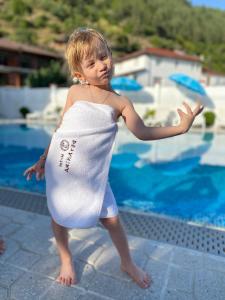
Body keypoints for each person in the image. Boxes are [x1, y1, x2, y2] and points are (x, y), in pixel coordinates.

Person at [23, 27, 203, 289]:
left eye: (104, 56)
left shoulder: (120, 103)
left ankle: (126, 261)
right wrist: (43, 158)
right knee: (58, 217)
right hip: (61, 170)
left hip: (92, 178)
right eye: (91, 63)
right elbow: (62, 129)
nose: (101, 65)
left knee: (112, 220)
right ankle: (66, 258)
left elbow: (142, 132)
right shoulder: (75, 93)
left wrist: (180, 127)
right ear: (79, 74)